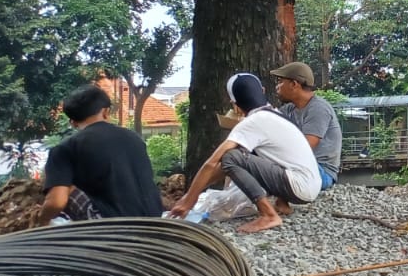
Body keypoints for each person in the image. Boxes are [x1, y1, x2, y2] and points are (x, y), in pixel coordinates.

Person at [168, 73, 322, 233]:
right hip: (309, 184)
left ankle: (268, 215)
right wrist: (196, 191)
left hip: (299, 187)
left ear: (234, 104)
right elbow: (229, 168)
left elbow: (215, 162)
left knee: (229, 156)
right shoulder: (275, 114)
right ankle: (282, 205)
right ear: (262, 90)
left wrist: (189, 199)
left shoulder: (253, 122)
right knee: (248, 156)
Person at [38, 84, 163, 224]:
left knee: (64, 187)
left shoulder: (65, 148)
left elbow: (56, 203)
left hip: (110, 226)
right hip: (155, 220)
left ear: (72, 122)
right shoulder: (135, 139)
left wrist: (40, 220)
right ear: (105, 112)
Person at [271, 62, 342, 191]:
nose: (277, 87)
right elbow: (265, 124)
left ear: (294, 84)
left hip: (320, 172)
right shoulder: (289, 109)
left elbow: (305, 147)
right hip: (299, 167)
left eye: (280, 82)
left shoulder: (318, 108)